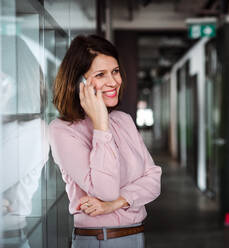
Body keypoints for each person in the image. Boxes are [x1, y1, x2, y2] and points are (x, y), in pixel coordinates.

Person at [48, 35, 162, 248]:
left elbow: (154, 180)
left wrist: (115, 205)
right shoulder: (62, 130)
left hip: (136, 236)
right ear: (78, 83)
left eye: (115, 71)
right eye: (101, 74)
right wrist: (101, 125)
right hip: (99, 240)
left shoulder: (123, 120)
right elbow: (105, 190)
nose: (113, 82)